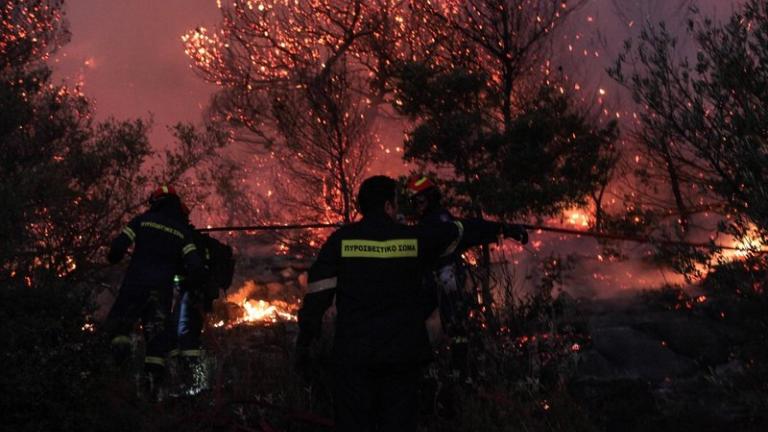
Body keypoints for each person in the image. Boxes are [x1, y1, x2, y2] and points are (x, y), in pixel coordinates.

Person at [296, 175, 525, 432]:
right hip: (401, 358)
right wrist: (504, 229)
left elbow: (318, 292)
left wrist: (305, 339)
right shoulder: (414, 240)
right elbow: (460, 231)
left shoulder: (341, 241)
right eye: (396, 203)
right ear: (387, 206)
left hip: (354, 356)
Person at [405, 175, 528, 376]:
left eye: (419, 200)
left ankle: (459, 373)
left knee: (454, 328)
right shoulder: (428, 223)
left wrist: (505, 229)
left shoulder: (442, 224)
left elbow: (473, 229)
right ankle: (434, 368)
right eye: (413, 202)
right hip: (430, 280)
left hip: (446, 278)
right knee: (415, 321)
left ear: (430, 198)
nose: (416, 206)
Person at [105, 185, 205, 400]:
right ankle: (152, 391)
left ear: (156, 202)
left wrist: (113, 258)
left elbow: (117, 248)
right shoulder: (182, 232)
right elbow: (195, 265)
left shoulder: (141, 221)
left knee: (120, 328)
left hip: (134, 285)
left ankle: (114, 381)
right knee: (157, 341)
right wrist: (192, 285)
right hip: (161, 293)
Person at [169, 229, 234, 396]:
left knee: (186, 334)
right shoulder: (191, 239)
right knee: (179, 333)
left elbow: (193, 271)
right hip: (193, 294)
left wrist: (190, 288)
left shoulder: (187, 240)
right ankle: (186, 380)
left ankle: (198, 383)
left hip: (194, 294)